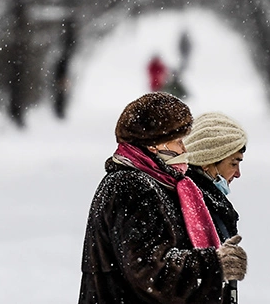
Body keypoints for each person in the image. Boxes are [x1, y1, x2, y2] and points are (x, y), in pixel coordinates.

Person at [79, 93, 248, 304]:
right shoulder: (131, 186)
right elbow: (148, 271)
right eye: (178, 141)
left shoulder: (153, 183)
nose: (184, 150)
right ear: (154, 144)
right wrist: (214, 264)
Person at [183, 113, 248, 303]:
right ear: (207, 162)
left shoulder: (209, 201)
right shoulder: (194, 206)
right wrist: (217, 264)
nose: (238, 174)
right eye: (233, 163)